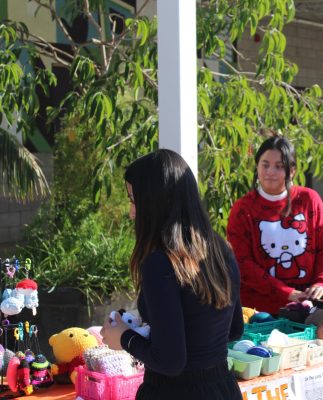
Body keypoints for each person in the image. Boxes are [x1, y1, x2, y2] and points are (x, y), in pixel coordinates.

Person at [101, 149, 243, 400]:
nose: (132, 212)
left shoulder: (160, 263)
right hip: (222, 388)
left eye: (134, 200)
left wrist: (123, 338)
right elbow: (233, 330)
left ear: (155, 202)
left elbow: (170, 361)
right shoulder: (222, 250)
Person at [226, 135, 323, 315]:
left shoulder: (310, 199)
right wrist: (287, 293)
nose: (270, 172)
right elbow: (242, 264)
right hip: (259, 310)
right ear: (257, 166)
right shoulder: (242, 209)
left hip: (310, 306)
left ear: (292, 171)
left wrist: (322, 283)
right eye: (265, 165)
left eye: (279, 166)